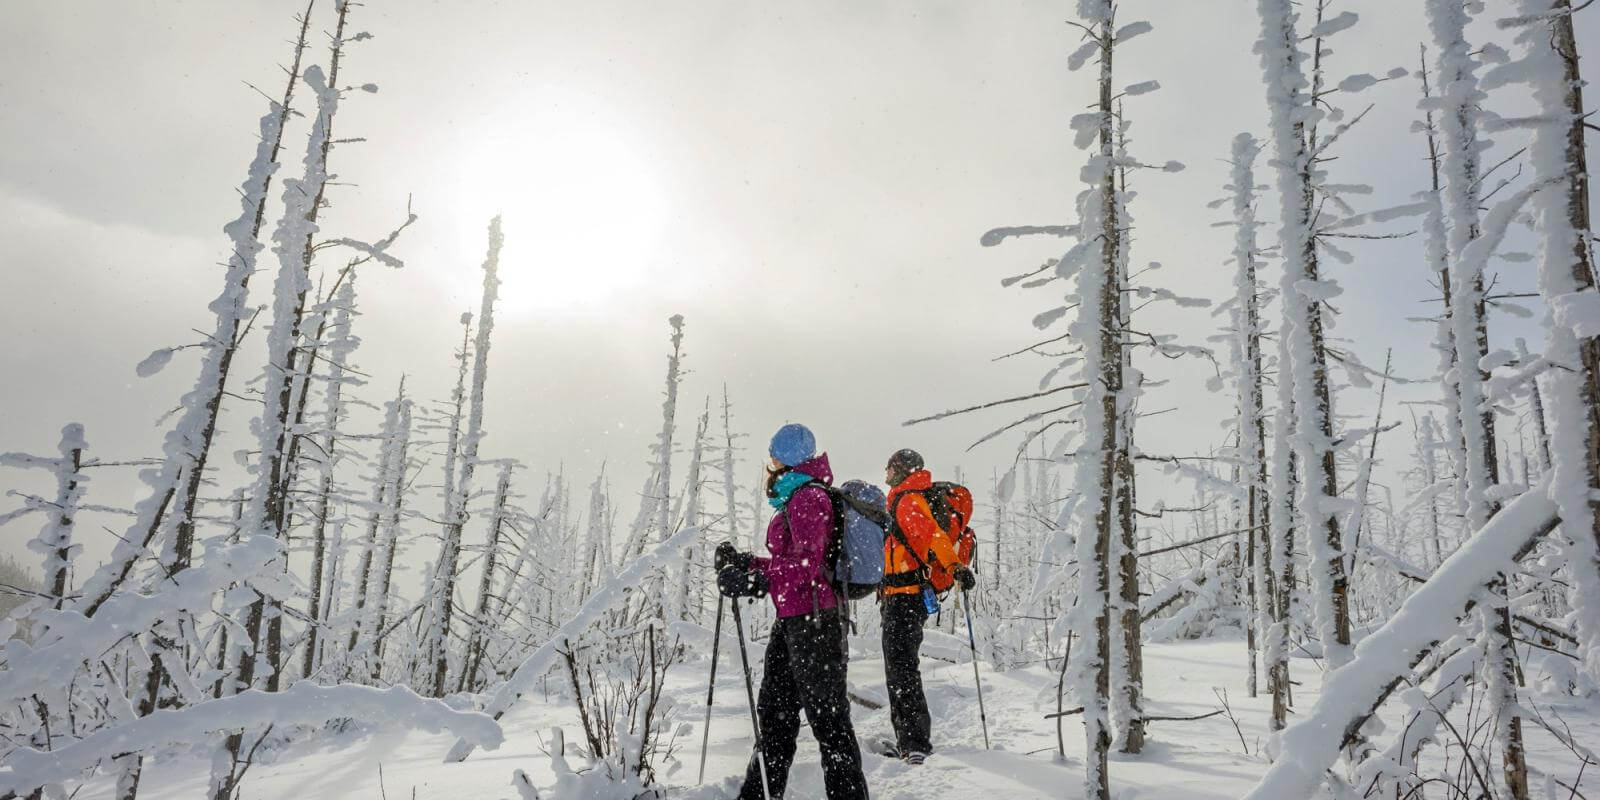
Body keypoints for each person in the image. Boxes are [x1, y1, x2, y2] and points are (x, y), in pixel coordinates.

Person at [716, 423, 869, 800]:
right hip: (795, 621)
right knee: (775, 716)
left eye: (774, 457)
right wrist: (747, 563)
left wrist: (755, 581)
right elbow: (790, 561)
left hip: (816, 622)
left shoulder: (808, 498)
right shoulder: (797, 497)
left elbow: (806, 565)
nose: (770, 466)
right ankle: (759, 793)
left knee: (828, 722)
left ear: (787, 461)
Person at [879, 448, 976, 765]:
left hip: (905, 596)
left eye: (890, 468)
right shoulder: (904, 498)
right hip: (902, 595)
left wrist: (954, 566)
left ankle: (915, 744)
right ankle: (909, 740)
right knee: (900, 669)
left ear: (902, 469)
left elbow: (933, 537)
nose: (887, 474)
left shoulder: (907, 500)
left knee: (902, 670)